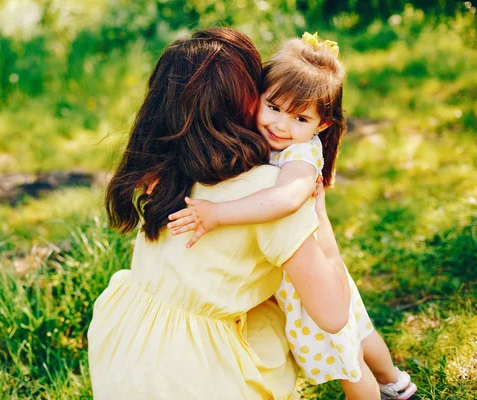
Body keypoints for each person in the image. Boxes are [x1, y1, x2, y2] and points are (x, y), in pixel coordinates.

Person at [87, 27, 352, 400]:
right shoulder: (268, 193)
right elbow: (334, 315)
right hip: (194, 381)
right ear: (246, 100)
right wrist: (318, 217)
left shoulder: (164, 166)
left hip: (124, 358)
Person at [166, 32, 417, 400]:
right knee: (357, 331)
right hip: (310, 269)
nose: (281, 125)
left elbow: (285, 198)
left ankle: (376, 390)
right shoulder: (271, 138)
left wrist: (218, 213)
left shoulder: (300, 156)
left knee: (346, 359)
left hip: (308, 281)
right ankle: (395, 382)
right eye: (274, 107)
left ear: (322, 126)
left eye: (300, 117)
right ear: (257, 95)